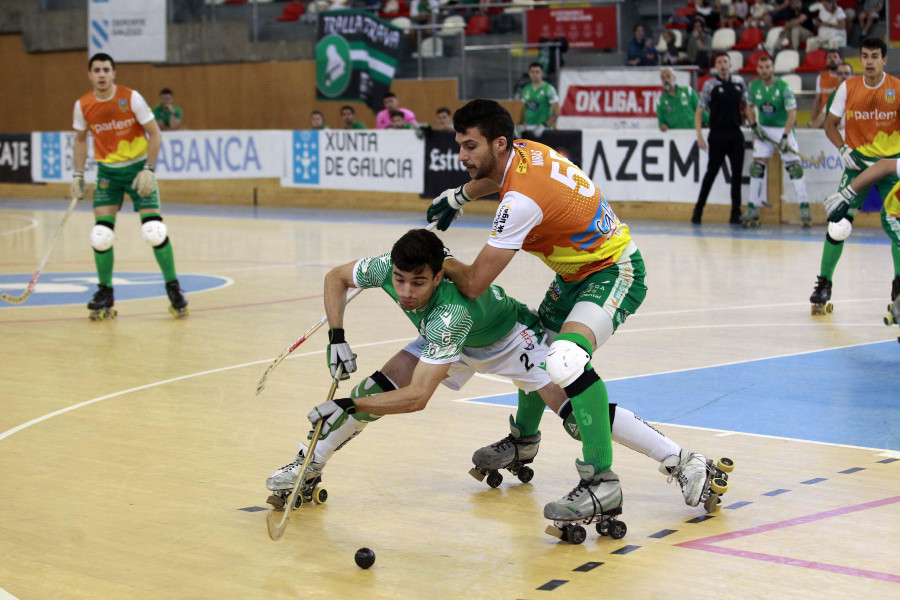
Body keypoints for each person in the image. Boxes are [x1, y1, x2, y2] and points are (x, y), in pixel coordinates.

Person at [265, 229, 721, 532]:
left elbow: (418, 398)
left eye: (418, 284)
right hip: (446, 341)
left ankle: (683, 461)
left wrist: (347, 406)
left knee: (580, 417)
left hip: (509, 340)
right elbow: (336, 276)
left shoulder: (449, 310)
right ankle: (309, 465)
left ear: (439, 276)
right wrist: (337, 337)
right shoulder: (388, 268)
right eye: (400, 281)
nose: (405, 293)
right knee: (371, 390)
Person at [422, 99, 649, 530]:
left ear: (500, 142)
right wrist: (459, 195)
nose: (461, 156)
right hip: (574, 273)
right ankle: (524, 441)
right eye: (459, 145)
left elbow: (472, 284)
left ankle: (602, 479)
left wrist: (439, 257)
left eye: (470, 146)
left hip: (613, 270)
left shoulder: (521, 201)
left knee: (564, 361)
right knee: (534, 345)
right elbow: (494, 177)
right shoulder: (526, 152)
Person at [71, 54, 188, 320]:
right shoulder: (83, 105)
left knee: (154, 231)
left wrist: (149, 168)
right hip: (107, 174)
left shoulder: (131, 97)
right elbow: (80, 140)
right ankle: (105, 293)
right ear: (89, 75)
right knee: (101, 235)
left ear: (114, 73)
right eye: (96, 70)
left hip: (137, 169)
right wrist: (78, 175)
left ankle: (174, 290)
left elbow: (155, 133)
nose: (101, 74)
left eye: (106, 70)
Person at [809, 37, 900, 313]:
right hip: (857, 165)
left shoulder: (898, 89)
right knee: (838, 225)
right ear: (859, 59)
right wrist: (843, 148)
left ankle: (899, 287)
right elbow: (830, 125)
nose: (869, 61)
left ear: (885, 59)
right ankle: (824, 284)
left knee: (898, 227)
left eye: (875, 56)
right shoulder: (847, 89)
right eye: (864, 56)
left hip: (890, 166)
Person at [823, 158, 900, 322]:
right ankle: (824, 282)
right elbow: (884, 165)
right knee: (838, 227)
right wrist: (847, 194)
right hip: (894, 213)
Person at [745, 54, 810, 227]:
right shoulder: (753, 86)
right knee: (757, 167)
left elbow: (792, 114)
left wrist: (785, 136)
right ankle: (753, 207)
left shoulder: (784, 87)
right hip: (763, 129)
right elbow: (749, 107)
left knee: (794, 168)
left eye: (767, 67)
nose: (764, 71)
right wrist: (753, 126)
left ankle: (804, 206)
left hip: (783, 128)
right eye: (761, 67)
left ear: (773, 68)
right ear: (757, 69)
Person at [692, 52, 750, 225]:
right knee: (711, 173)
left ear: (730, 64)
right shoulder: (710, 85)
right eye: (719, 62)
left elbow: (748, 106)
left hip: (735, 134)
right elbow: (699, 110)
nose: (723, 65)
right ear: (715, 66)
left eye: (725, 61)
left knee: (737, 175)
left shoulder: (739, 83)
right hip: (717, 134)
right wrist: (700, 136)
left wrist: (752, 127)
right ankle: (698, 211)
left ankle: (735, 213)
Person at [518, 62, 560, 138]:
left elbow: (556, 112)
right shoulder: (526, 89)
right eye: (532, 72)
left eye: (537, 72)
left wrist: (544, 125)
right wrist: (521, 124)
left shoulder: (549, 89)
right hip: (528, 129)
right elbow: (523, 109)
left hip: (543, 130)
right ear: (529, 73)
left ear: (542, 73)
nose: (534, 74)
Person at [809, 49, 844, 129]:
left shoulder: (844, 78)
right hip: (824, 117)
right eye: (829, 57)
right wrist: (813, 120)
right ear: (826, 61)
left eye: (835, 57)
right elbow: (817, 100)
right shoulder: (821, 78)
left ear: (840, 60)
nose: (832, 59)